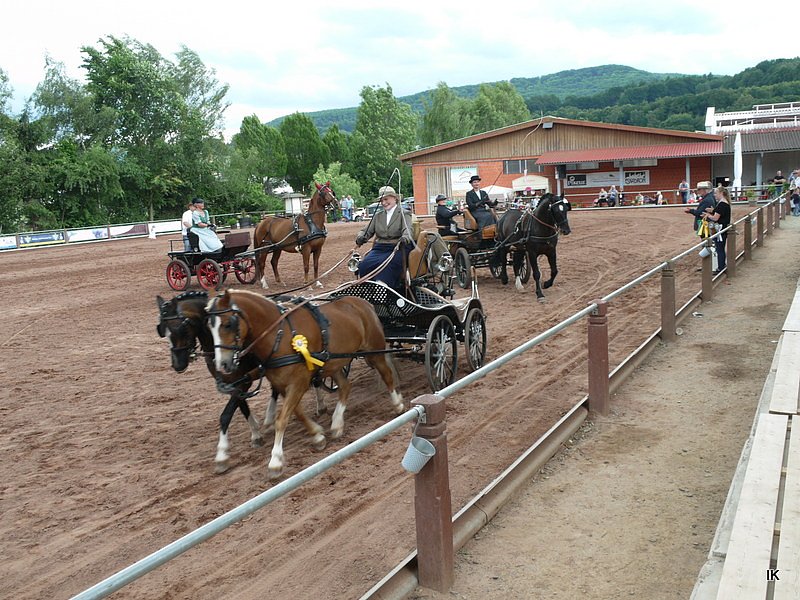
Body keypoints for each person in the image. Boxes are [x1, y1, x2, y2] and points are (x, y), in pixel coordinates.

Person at [354, 186, 415, 287]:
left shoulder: (405, 214)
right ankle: (368, 288)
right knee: (364, 264)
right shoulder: (378, 216)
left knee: (387, 265)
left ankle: (383, 287)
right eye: (381, 200)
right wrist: (361, 237)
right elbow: (366, 231)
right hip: (380, 248)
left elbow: (407, 230)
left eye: (386, 199)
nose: (383, 203)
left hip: (399, 248)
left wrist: (405, 238)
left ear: (395, 198)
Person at [702, 186, 732, 274]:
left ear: (721, 193)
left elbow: (715, 218)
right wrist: (713, 210)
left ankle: (721, 267)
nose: (715, 195)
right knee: (720, 248)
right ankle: (721, 266)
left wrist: (708, 215)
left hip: (720, 229)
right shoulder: (723, 203)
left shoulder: (722, 204)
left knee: (720, 249)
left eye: (716, 193)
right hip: (722, 228)